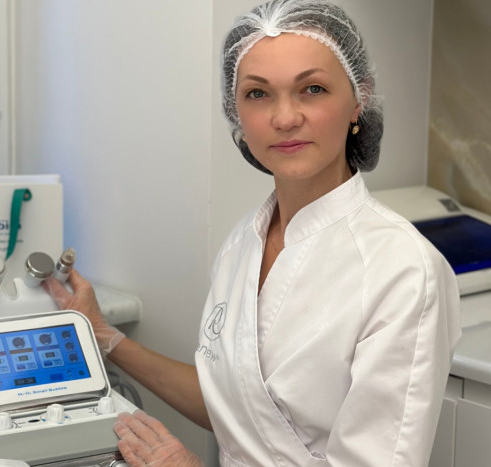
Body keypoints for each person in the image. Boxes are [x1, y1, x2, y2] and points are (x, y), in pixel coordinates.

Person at [44, 0, 461, 465]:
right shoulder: (243, 242)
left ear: (358, 99)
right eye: (258, 94)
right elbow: (240, 410)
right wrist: (104, 336)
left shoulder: (403, 271)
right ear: (236, 112)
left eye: (313, 89)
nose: (284, 118)